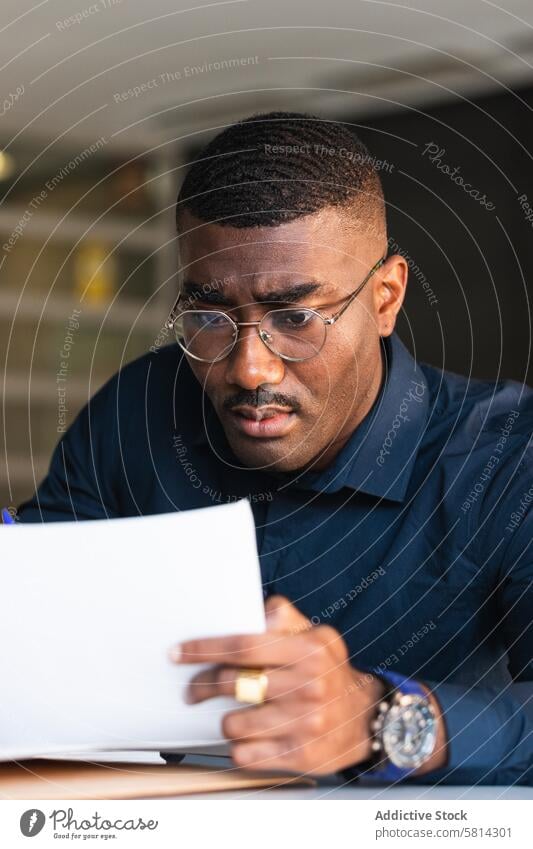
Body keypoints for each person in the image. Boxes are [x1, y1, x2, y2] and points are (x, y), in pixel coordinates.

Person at [18, 112, 532, 785]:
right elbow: (34, 625)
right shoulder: (136, 413)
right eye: (207, 317)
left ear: (386, 296)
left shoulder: (504, 456)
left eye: (294, 317)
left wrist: (380, 717)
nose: (248, 370)